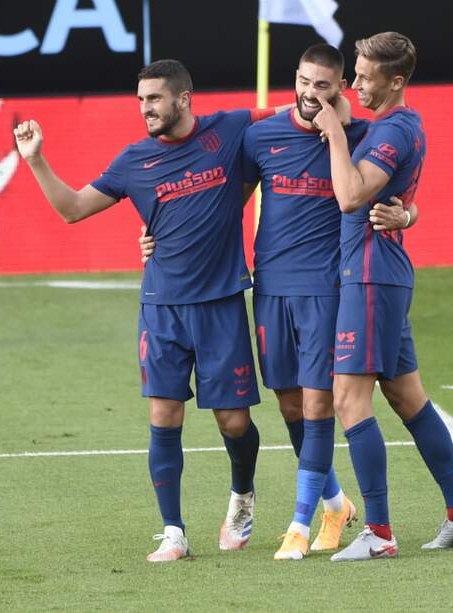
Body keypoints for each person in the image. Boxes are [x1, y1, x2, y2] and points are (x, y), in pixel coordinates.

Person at [139, 46, 416, 561]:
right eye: (306, 83)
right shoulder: (260, 136)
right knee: (290, 403)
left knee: (317, 403)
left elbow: (399, 187)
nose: (313, 94)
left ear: (341, 90)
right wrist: (162, 237)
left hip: (329, 288)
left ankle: (298, 523)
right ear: (295, 80)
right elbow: (222, 202)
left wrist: (411, 214)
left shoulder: (359, 136)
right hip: (270, 288)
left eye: (326, 86)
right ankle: (335, 503)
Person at [13, 59, 290, 562]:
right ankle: (174, 531)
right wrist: (34, 159)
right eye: (141, 100)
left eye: (155, 99)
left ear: (183, 98)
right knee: (164, 415)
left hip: (221, 304)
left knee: (233, 422)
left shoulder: (228, 129)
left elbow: (293, 114)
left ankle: (243, 495)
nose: (146, 108)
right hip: (161, 308)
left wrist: (330, 103)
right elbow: (73, 209)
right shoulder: (132, 161)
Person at [310, 32, 453, 561]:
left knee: (348, 399)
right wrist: (328, 104)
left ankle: (380, 533)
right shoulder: (387, 123)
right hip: (376, 273)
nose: (354, 83)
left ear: (397, 81)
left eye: (365, 76)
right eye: (354, 73)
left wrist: (335, 137)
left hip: (370, 275)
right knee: (408, 398)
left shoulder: (395, 129)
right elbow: (343, 110)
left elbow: (349, 196)